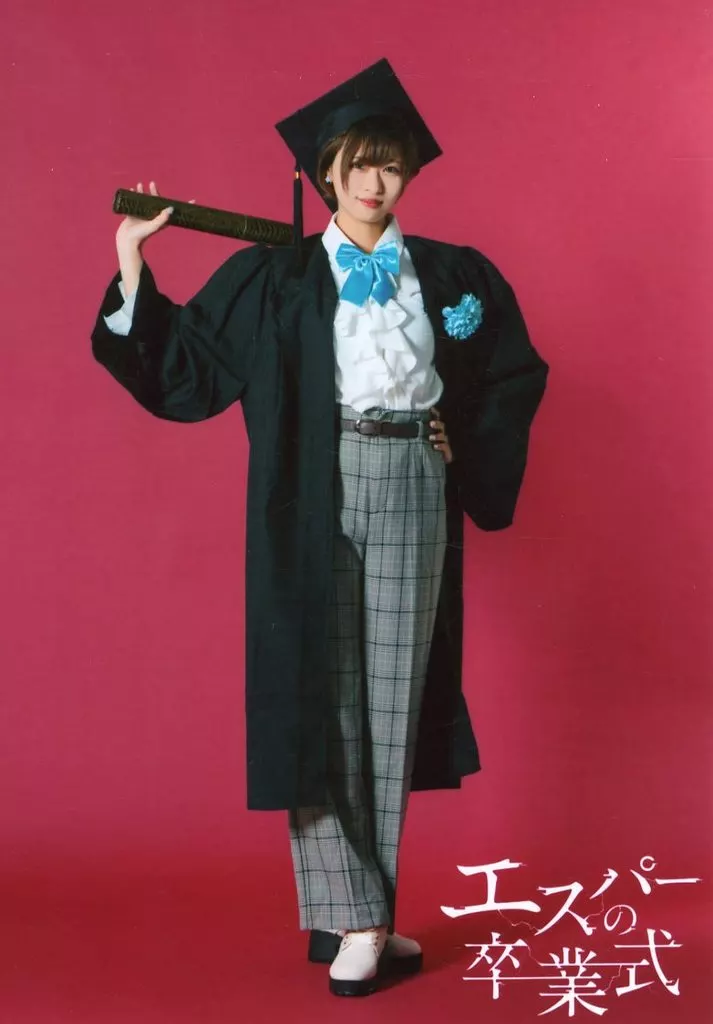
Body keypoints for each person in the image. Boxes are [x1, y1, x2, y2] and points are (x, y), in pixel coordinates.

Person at [91, 58, 549, 998]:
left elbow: (511, 372)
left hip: (413, 480)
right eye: (359, 164)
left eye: (392, 164)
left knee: (391, 703)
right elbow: (186, 367)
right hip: (316, 481)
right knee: (320, 696)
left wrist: (457, 439)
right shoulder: (276, 276)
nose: (376, 182)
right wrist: (133, 260)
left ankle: (361, 912)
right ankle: (359, 916)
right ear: (324, 171)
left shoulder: (449, 273)